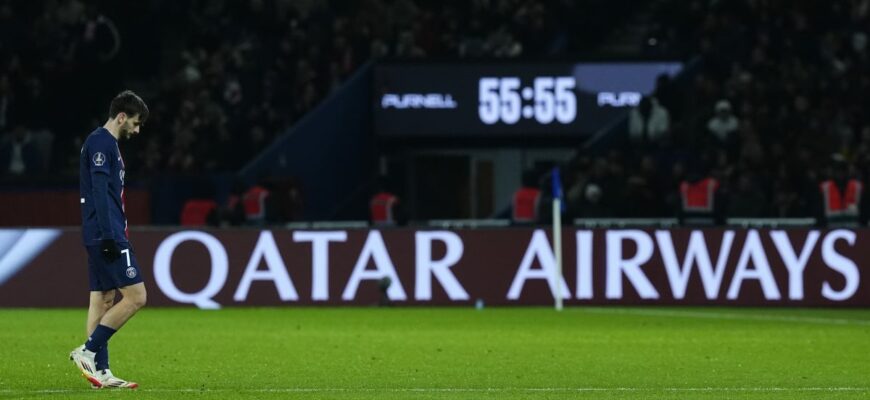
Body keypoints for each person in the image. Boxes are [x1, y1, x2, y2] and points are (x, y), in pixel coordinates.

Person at [69, 90, 148, 389]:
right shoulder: (102, 142)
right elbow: (100, 191)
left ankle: (100, 372)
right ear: (122, 117)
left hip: (100, 232)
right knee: (137, 297)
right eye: (136, 123)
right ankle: (88, 351)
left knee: (102, 299)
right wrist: (109, 235)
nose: (137, 131)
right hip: (107, 233)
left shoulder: (104, 143)